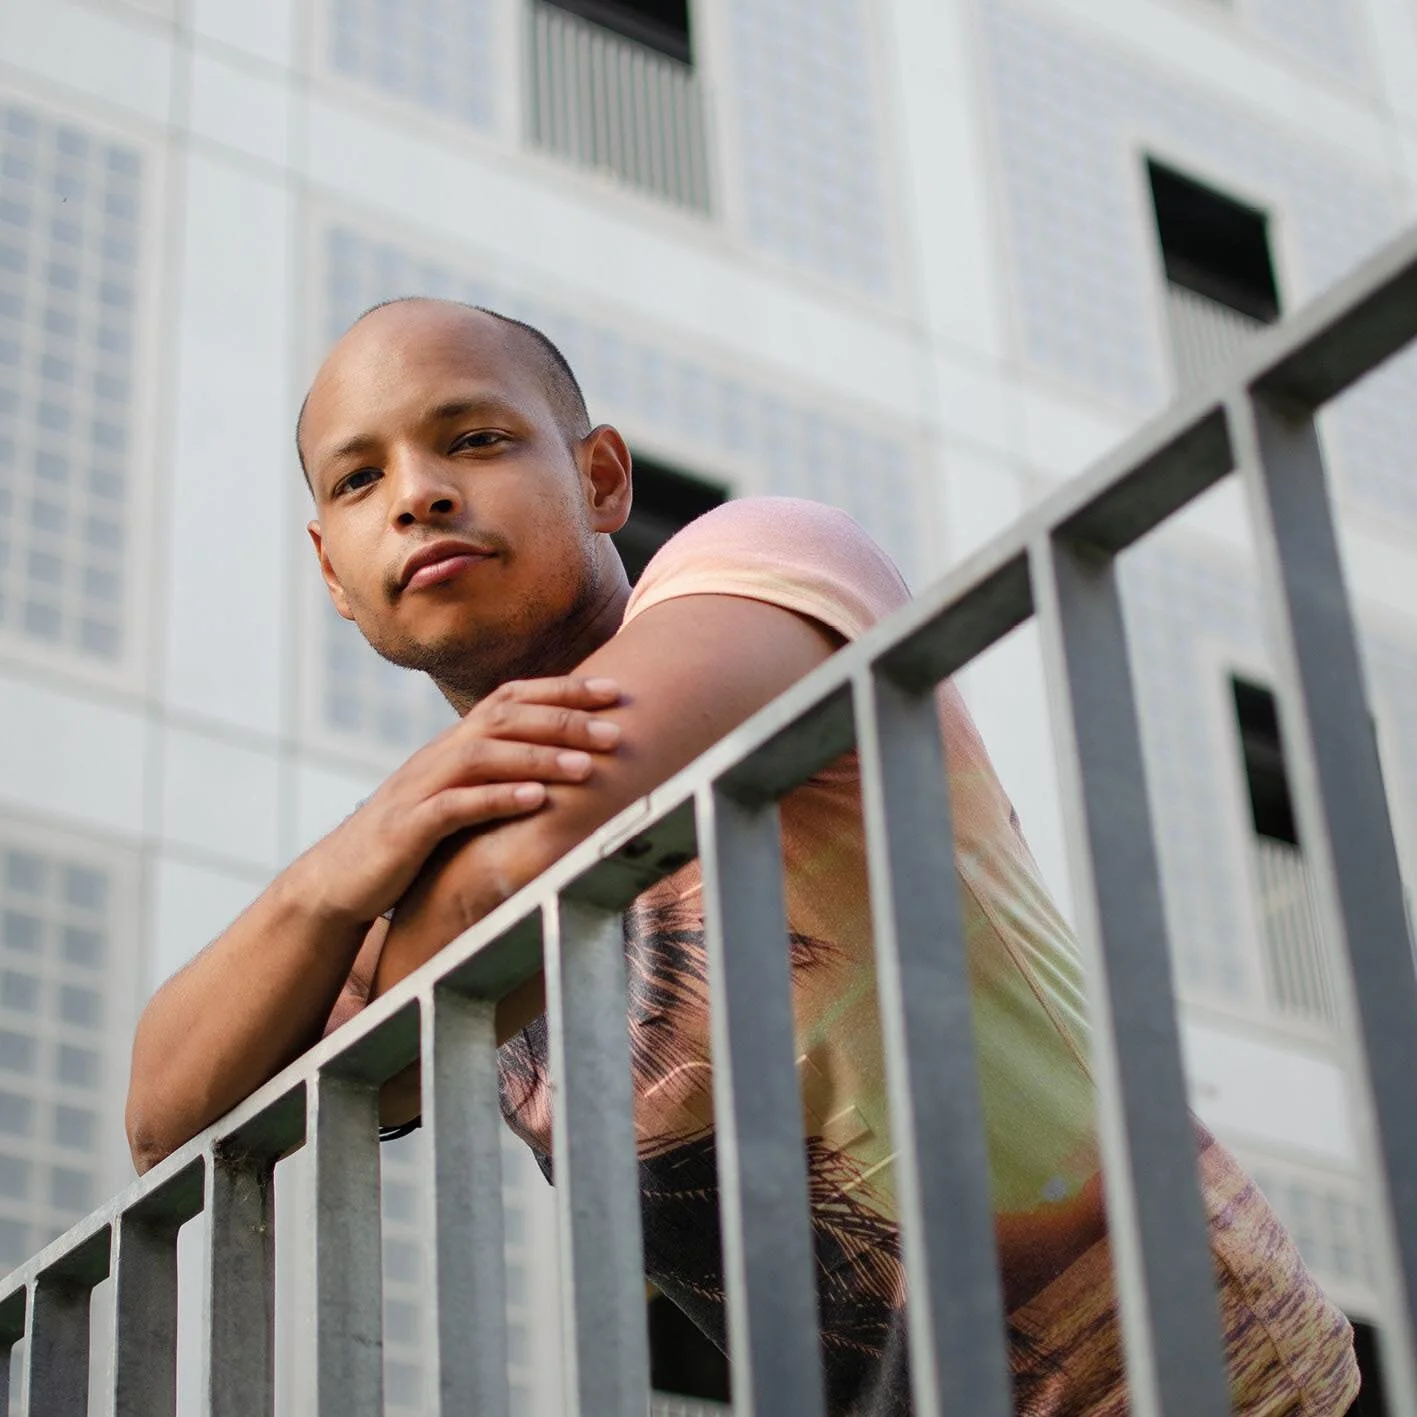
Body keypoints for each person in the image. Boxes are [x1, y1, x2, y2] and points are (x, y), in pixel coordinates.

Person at [125, 298, 1360, 1416]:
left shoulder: (762, 564)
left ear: (601, 476)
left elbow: (544, 846)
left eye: (476, 439)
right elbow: (167, 1113)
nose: (418, 493)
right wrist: (329, 873)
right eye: (358, 479)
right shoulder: (399, 873)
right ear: (333, 576)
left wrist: (355, 917)